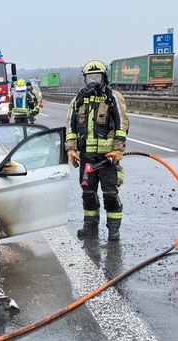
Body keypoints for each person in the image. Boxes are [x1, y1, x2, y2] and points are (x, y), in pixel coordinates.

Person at [65, 60, 129, 240]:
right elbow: (71, 127)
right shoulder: (78, 100)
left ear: (104, 78)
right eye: (89, 77)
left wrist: (118, 151)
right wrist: (71, 150)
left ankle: (113, 229)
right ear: (85, 79)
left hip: (108, 158)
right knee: (88, 194)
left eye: (97, 77)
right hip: (87, 157)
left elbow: (122, 125)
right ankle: (90, 228)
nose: (93, 81)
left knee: (110, 194)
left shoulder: (113, 97)